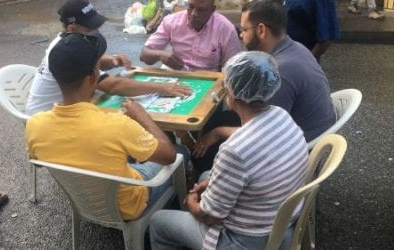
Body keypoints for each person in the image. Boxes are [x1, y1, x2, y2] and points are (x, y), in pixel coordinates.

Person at [150, 51, 309, 250]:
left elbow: (210, 217)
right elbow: (251, 169)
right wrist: (210, 183)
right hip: (282, 222)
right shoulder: (281, 115)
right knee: (207, 175)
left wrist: (190, 202)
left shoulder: (235, 150)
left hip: (246, 240)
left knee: (159, 221)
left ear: (232, 94)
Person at [26, 32, 177, 220]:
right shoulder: (117, 124)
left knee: (126, 152)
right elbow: (169, 156)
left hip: (83, 199)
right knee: (180, 152)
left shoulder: (34, 124)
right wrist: (142, 116)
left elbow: (38, 161)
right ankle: (170, 214)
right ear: (93, 77)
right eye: (98, 65)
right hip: (129, 207)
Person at [191, 0, 336, 173]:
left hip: (297, 146)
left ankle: (205, 181)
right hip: (306, 127)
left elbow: (265, 133)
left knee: (212, 136)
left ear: (261, 30)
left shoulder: (279, 71)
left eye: (244, 30)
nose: (240, 36)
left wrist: (218, 133)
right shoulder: (295, 47)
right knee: (219, 119)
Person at [26, 0, 191, 115]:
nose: (97, 32)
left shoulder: (67, 42)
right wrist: (161, 88)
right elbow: (113, 86)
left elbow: (90, 60)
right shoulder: (64, 49)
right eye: (91, 28)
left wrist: (112, 60)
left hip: (60, 112)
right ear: (71, 28)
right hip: (49, 118)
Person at [139, 0, 241, 71]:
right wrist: (160, 55)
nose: (193, 14)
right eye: (190, 7)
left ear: (212, 9)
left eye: (201, 10)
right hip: (175, 77)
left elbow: (232, 70)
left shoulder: (226, 29)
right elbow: (144, 55)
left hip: (208, 81)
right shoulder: (171, 21)